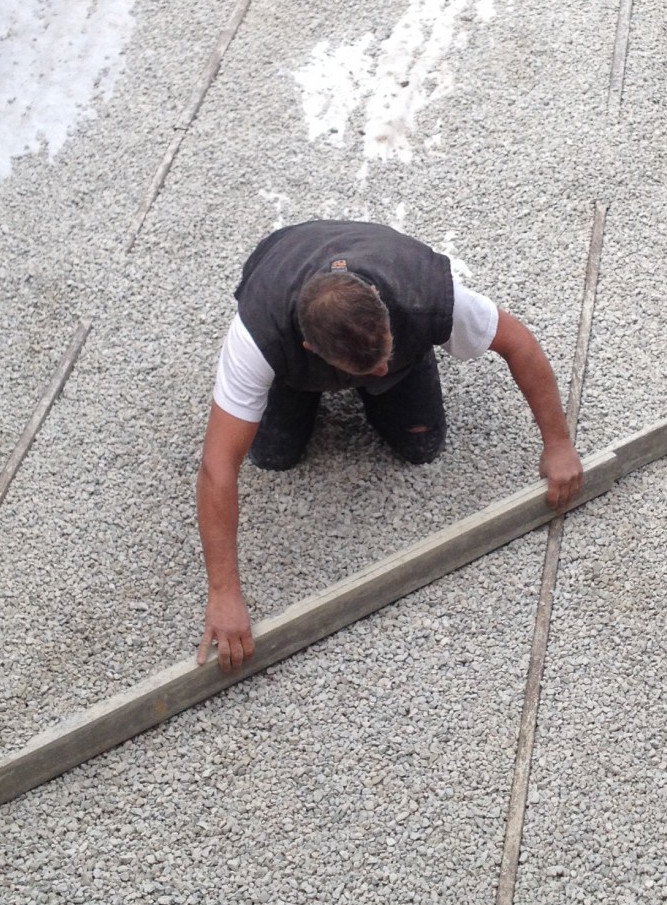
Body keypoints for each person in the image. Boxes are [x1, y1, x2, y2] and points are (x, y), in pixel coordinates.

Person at [197, 219, 583, 671]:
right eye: (367, 368)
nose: (379, 370)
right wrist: (224, 593)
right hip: (290, 354)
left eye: (383, 354)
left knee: (422, 446)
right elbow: (218, 467)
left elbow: (519, 344)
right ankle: (307, 387)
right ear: (309, 345)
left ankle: (387, 366)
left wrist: (558, 444)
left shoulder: (423, 290)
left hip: (387, 329)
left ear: (381, 304)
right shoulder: (258, 335)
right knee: (274, 456)